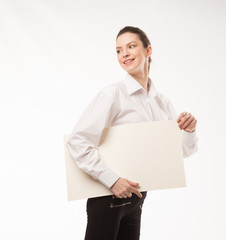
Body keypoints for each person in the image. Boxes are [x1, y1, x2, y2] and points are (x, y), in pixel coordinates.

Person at [66, 26, 198, 240]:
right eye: (118, 50)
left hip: (137, 198)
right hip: (107, 198)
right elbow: (77, 141)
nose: (124, 54)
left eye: (131, 46)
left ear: (148, 50)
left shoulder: (161, 102)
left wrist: (190, 131)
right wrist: (112, 180)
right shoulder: (112, 94)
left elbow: (177, 153)